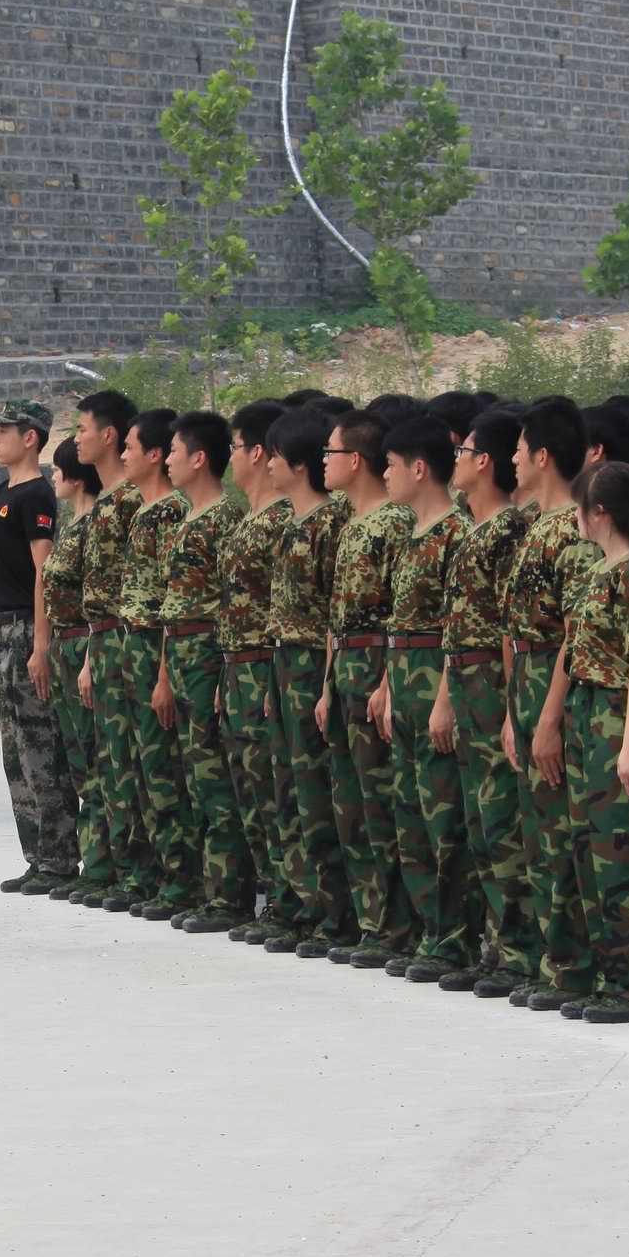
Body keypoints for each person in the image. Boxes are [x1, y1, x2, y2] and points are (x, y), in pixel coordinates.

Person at [531, 460, 629, 1024]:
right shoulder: (599, 571)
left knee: (624, 853)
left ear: (601, 512)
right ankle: (612, 976)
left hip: (617, 715)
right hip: (589, 713)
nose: (575, 517)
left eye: (580, 506)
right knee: (591, 849)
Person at [374, 414, 473, 982]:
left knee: (444, 818)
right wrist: (388, 686)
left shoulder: (456, 533)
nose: (384, 474)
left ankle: (456, 937)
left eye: (391, 465)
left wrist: (444, 700)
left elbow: (456, 628)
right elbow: (399, 621)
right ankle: (429, 931)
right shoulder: (410, 534)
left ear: (418, 468)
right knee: (410, 815)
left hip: (436, 678)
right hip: (404, 677)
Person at [503, 398, 591, 1009]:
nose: (512, 459)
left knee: (562, 833)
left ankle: (575, 965)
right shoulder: (536, 524)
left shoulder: (574, 531)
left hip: (554, 681)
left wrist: (549, 718)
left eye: (519, 448)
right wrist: (516, 714)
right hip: (526, 681)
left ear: (542, 455)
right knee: (537, 834)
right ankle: (552, 958)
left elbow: (572, 633)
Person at [442, 407, 533, 994]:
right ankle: (499, 944)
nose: (457, 460)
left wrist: (510, 704)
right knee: (479, 819)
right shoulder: (473, 528)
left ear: (487, 462)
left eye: (466, 450)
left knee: (503, 821)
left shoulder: (508, 532)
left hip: (492, 682)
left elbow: (509, 628)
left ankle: (520, 949)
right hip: (464, 680)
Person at [0, 401, 72, 892]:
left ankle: (59, 859)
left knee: (39, 745)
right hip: (4, 628)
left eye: (3, 431)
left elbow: (43, 574)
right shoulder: (7, 492)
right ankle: (37, 855)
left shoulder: (35, 496)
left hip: (29, 627)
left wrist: (41, 645)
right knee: (16, 749)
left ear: (30, 437)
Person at [318, 412, 411, 968]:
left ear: (355, 460)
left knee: (382, 804)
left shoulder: (394, 523)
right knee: (350, 805)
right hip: (346, 668)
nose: (323, 462)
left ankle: (398, 926)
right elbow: (337, 615)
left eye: (330, 453)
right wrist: (327, 685)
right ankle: (371, 920)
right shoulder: (351, 524)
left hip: (376, 666)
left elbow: (403, 613)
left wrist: (387, 682)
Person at [155, 409, 251, 930]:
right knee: (194, 778)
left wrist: (219, 675)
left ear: (199, 458)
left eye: (174, 452)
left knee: (216, 780)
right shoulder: (186, 519)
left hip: (209, 655)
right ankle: (207, 887)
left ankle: (230, 896)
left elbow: (231, 603)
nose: (167, 461)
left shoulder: (224, 519)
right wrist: (165, 675)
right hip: (181, 654)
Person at [264, 407, 354, 955]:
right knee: (290, 792)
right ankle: (303, 903)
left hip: (312, 666)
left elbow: (332, 616)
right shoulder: (292, 522)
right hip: (283, 665)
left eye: (276, 455)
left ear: (299, 464)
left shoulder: (329, 524)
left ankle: (335, 913)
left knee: (319, 792)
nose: (268, 465)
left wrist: (326, 685)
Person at [217, 401, 296, 945]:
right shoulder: (250, 520)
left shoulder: (280, 521)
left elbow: (281, 611)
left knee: (276, 793)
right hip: (236, 669)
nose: (232, 458)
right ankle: (274, 896)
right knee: (251, 794)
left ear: (259, 453)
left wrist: (268, 680)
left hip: (265, 669)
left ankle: (291, 901)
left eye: (236, 447)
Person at [71, 390, 144, 908]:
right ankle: (114, 866)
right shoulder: (106, 503)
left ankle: (138, 870)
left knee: (130, 761)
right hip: (103, 640)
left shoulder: (132, 502)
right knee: (106, 761)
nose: (77, 438)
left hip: (127, 641)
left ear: (109, 434)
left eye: (82, 428)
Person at [113, 410, 189, 915]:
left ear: (156, 455)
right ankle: (158, 874)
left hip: (156, 648)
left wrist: (163, 673)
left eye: (131, 447)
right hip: (133, 646)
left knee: (165, 769)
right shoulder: (145, 510)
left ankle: (183, 880)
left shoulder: (170, 513)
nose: (124, 455)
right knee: (142, 767)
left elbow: (170, 599)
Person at [40, 447, 105, 896]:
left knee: (96, 761)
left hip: (84, 644)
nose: (53, 475)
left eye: (59, 469)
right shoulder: (71, 524)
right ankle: (92, 861)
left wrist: (87, 661)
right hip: (65, 645)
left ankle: (102, 866)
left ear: (78, 477)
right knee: (79, 761)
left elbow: (96, 602)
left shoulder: (94, 524)